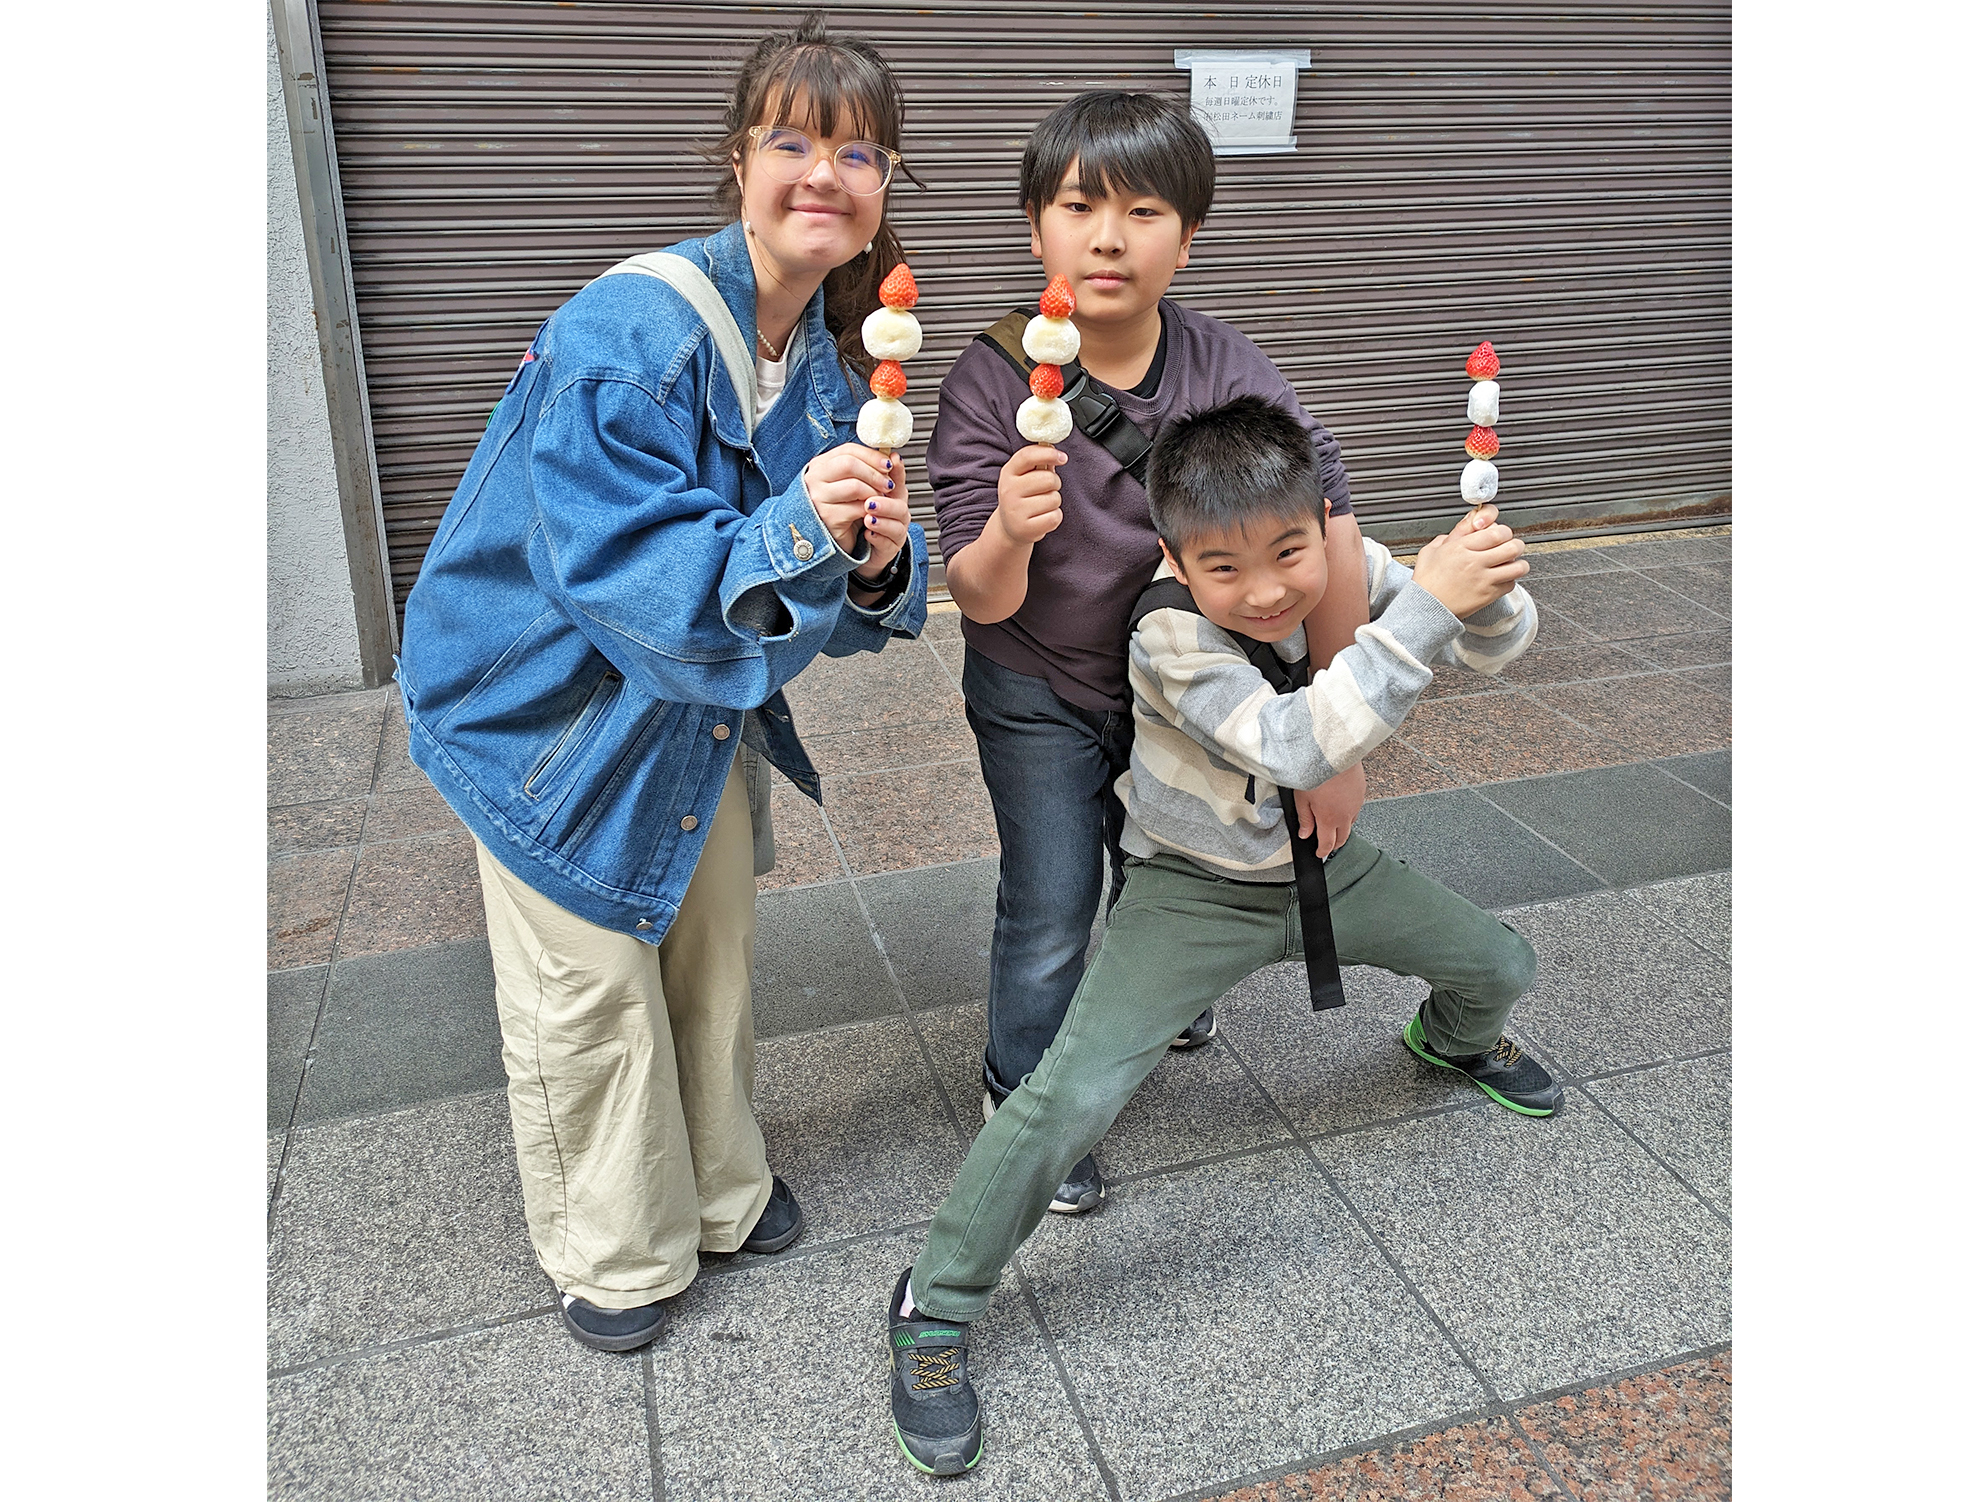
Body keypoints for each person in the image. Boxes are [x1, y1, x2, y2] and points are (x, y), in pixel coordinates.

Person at [885, 397, 1561, 1475]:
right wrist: (1427, 611)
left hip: (1319, 874)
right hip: (1190, 893)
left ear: (1317, 525)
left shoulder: (1343, 561)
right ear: (1172, 556)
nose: (1265, 589)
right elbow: (1296, 744)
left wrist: (1484, 590)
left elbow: (1490, 646)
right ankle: (934, 1299)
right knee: (1068, 1095)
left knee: (1500, 963)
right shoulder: (1166, 633)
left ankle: (1451, 1039)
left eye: (1289, 552)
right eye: (1224, 566)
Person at [396, 13, 926, 1355]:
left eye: (859, 153)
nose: (826, 172)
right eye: (794, 140)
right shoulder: (631, 329)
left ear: (881, 198)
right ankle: (618, 1257)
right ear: (736, 161)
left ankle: (724, 1196)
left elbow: (815, 608)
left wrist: (867, 561)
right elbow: (639, 591)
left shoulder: (821, 365)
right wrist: (803, 528)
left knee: (712, 958)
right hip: (542, 719)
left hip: (686, 715)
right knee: (591, 995)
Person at [927, 91, 1375, 1216]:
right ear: (1036, 228)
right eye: (1078, 206)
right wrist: (1007, 533)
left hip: (1182, 687)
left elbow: (1327, 519)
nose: (1109, 236)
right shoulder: (987, 380)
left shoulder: (1223, 364)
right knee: (1049, 899)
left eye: (1143, 209)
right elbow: (972, 595)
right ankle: (1023, 1097)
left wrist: (1332, 735)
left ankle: (1161, 992)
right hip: (1038, 681)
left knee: (1163, 857)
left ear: (1188, 235)